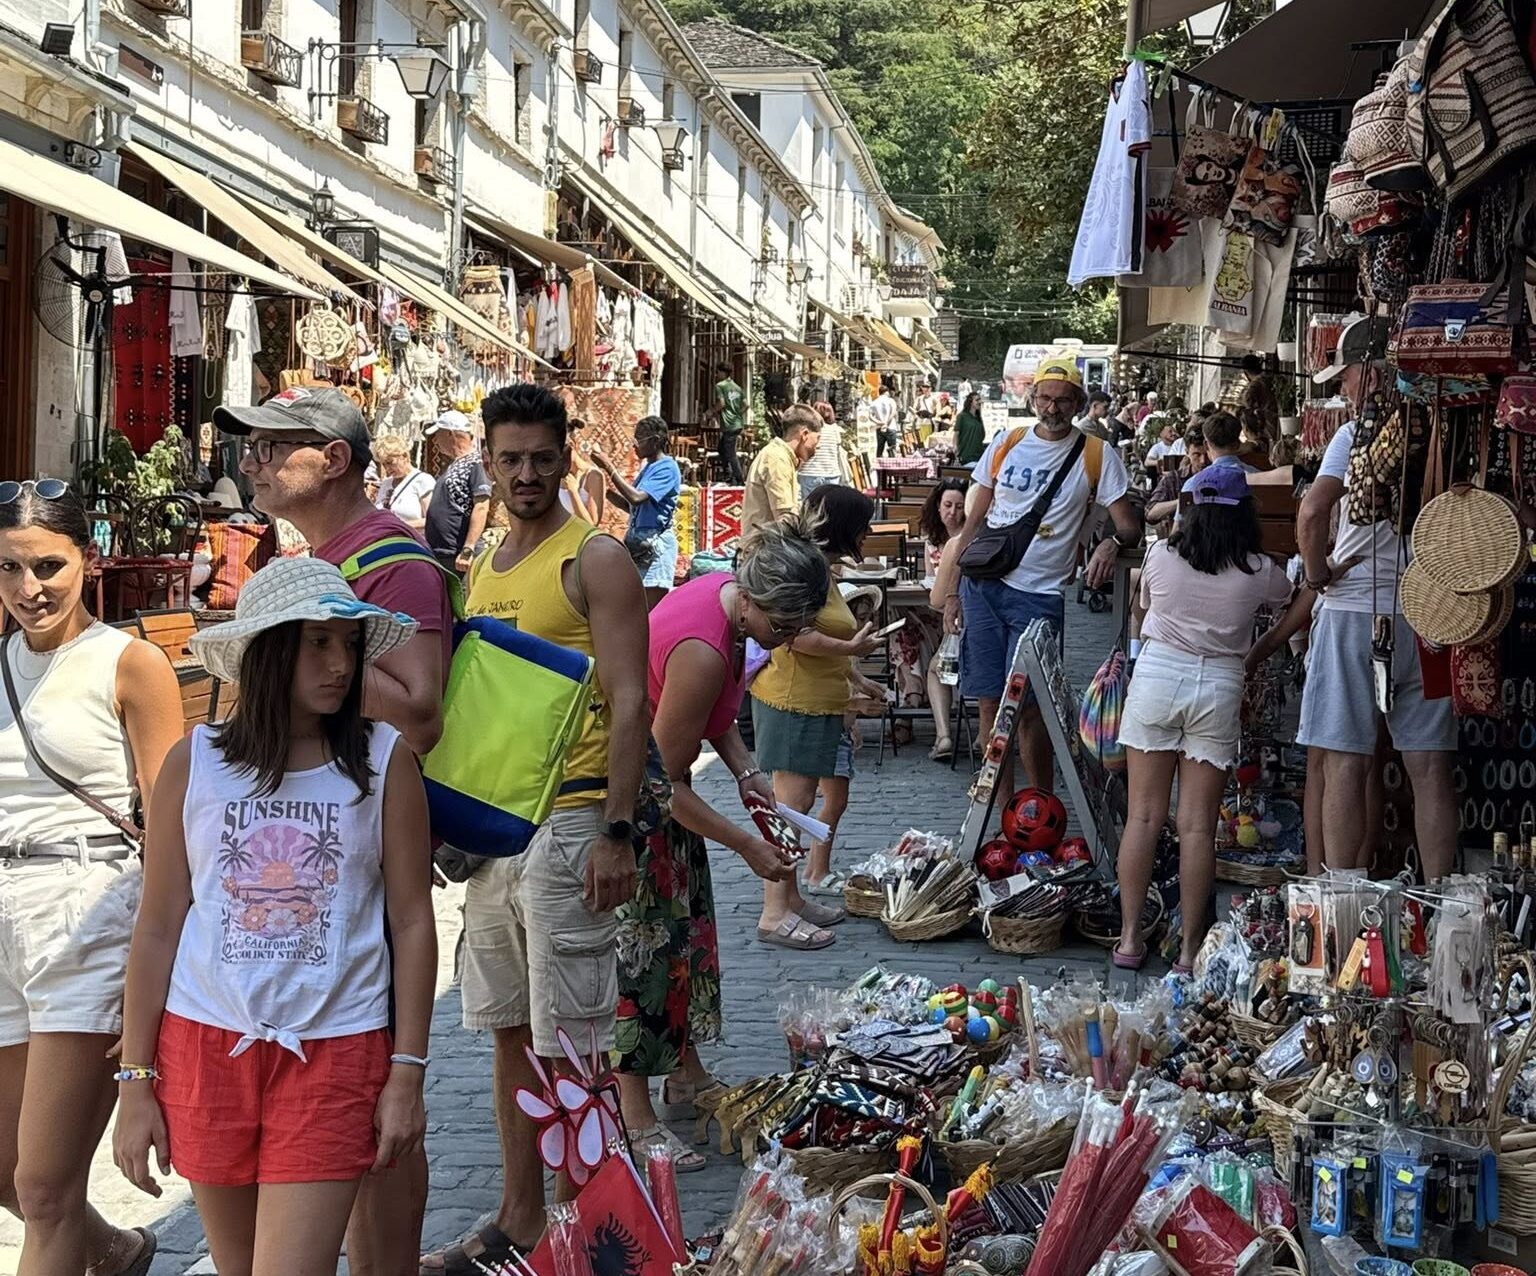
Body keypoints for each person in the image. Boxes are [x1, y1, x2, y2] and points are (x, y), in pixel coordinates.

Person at [113, 559, 437, 1276]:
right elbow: (159, 923)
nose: (340, 663)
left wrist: (407, 1069)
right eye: (318, 642)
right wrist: (134, 1082)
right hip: (203, 1048)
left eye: (349, 644)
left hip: (335, 1050)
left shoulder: (384, 762)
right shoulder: (194, 763)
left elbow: (414, 922)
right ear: (269, 650)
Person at [218, 385, 450, 1274]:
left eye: (275, 446)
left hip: (369, 854)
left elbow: (419, 715)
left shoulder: (394, 563)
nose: (257, 464)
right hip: (312, 860)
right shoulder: (323, 553)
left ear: (337, 459)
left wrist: (318, 644)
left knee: (381, 1103)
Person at [445, 382, 648, 1268]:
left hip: (571, 824)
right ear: (486, 463)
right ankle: (521, 1217)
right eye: (509, 459)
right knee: (507, 1035)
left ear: (568, 456)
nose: (525, 473)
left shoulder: (595, 558)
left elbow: (635, 699)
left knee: (573, 1047)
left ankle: (580, 1229)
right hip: (496, 833)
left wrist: (618, 830)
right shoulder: (485, 559)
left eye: (540, 457)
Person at [0, 480, 182, 1276]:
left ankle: (93, 1245)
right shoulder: (2, 661)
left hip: (87, 911)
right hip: (5, 913)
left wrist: (161, 963)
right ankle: (110, 1250)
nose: (28, 588)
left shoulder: (129, 663)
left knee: (42, 1186)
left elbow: (173, 822)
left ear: (89, 559)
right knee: (13, 1172)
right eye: (9, 569)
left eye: (47, 565)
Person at [614, 526, 825, 1166]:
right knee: (647, 952)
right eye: (784, 627)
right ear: (757, 604)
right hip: (635, 805)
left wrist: (746, 773)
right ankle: (635, 1111)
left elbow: (716, 717)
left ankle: (685, 1071)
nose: (785, 642)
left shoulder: (725, 601)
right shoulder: (706, 647)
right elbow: (664, 783)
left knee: (685, 939)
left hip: (660, 796)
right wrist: (747, 846)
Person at [1110, 467, 1294, 973]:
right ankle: (1190, 951)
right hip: (1219, 684)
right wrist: (1262, 649)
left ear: (1190, 506)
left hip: (1158, 676)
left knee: (1144, 817)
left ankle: (1129, 939)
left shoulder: (1161, 555)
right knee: (1197, 827)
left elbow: (1145, 614)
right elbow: (1302, 596)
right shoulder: (1258, 568)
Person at [1293, 336, 1456, 880]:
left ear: (1373, 372)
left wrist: (1316, 574)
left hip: (1355, 612)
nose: (1341, 387)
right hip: (1432, 614)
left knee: (1344, 762)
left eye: (1345, 375)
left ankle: (1342, 903)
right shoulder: (1450, 434)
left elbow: (1314, 513)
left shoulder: (1353, 437)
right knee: (1430, 768)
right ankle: (1442, 902)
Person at [944, 358, 1140, 795]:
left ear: (1078, 404)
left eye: (1063, 400)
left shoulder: (1095, 454)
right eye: (1045, 398)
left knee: (1032, 708)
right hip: (984, 588)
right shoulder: (1007, 441)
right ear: (1032, 399)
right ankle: (999, 819)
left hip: (1039, 596)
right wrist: (954, 592)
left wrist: (1111, 543)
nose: (1052, 408)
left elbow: (1129, 524)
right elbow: (972, 525)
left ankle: (1038, 809)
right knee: (990, 704)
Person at [750, 485, 881, 948]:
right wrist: (851, 648)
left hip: (815, 702)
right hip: (793, 702)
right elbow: (794, 634)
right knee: (789, 809)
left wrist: (857, 677)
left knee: (796, 807)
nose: (868, 532)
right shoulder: (807, 569)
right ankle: (773, 912)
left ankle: (793, 899)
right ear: (842, 526)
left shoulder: (818, 567)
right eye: (863, 524)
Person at [895, 479, 967, 761]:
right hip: (945, 619)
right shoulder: (934, 541)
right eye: (947, 506)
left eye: (960, 506)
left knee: (926, 649)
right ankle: (912, 697)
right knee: (906, 625)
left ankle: (929, 722)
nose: (953, 512)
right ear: (937, 508)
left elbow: (938, 596)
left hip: (955, 621)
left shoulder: (961, 542)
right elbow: (929, 581)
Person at [593, 416, 683, 609]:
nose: (635, 446)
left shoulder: (668, 467)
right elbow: (632, 507)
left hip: (655, 549)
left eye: (639, 440)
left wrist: (609, 468)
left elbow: (636, 498)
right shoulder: (648, 468)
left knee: (650, 611)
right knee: (634, 607)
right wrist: (604, 493)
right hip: (639, 546)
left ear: (656, 440)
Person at [422, 409, 492, 575]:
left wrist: (468, 549)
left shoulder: (475, 463)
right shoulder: (455, 465)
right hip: (445, 554)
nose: (436, 440)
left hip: (459, 556)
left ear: (450, 434)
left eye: (438, 435)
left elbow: (481, 506)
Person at [741, 404, 822, 536]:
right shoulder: (777, 459)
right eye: (817, 439)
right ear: (804, 434)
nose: (818, 446)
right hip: (765, 551)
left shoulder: (783, 457)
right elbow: (785, 519)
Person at [1146, 425, 1210, 535]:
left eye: (1207, 455)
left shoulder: (1219, 476)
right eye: (1197, 455)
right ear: (1187, 452)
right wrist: (1183, 501)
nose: (1203, 461)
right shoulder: (1173, 478)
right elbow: (1151, 514)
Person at [373, 435, 434, 531]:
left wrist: (398, 526)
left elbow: (431, 520)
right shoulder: (385, 484)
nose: (387, 469)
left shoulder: (423, 481)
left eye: (390, 462)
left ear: (404, 456)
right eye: (384, 464)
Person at [796, 402, 849, 499]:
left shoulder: (807, 431)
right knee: (829, 508)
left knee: (809, 508)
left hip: (809, 473)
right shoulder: (835, 430)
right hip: (831, 473)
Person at [561, 418, 605, 524]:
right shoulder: (556, 476)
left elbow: (592, 525)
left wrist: (573, 492)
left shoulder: (593, 476)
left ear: (572, 445)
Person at [713, 363, 747, 484]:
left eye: (718, 372)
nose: (716, 375)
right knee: (722, 448)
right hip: (737, 423)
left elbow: (721, 403)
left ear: (723, 373)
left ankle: (739, 478)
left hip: (729, 424)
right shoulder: (737, 388)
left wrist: (710, 411)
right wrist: (737, 413)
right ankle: (728, 474)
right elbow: (746, 405)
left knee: (730, 452)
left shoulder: (720, 386)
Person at [955, 392, 986, 466]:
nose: (980, 402)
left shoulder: (978, 418)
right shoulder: (962, 416)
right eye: (977, 400)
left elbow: (982, 435)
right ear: (970, 402)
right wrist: (955, 449)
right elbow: (956, 434)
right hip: (966, 455)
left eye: (980, 400)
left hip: (979, 455)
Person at [869, 381, 900, 458]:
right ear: (886, 392)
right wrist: (886, 423)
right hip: (891, 427)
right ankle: (892, 466)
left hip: (879, 428)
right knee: (892, 449)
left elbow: (870, 416)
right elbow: (893, 413)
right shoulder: (890, 400)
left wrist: (880, 423)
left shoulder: (874, 402)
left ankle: (879, 466)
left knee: (880, 449)